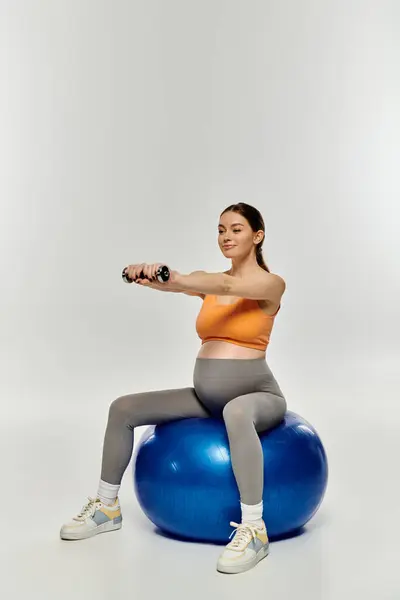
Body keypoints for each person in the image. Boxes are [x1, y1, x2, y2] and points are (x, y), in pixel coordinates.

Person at [60, 202, 287, 575]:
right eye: (220, 230)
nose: (226, 237)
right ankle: (106, 508)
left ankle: (254, 529)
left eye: (236, 229)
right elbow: (185, 284)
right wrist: (147, 276)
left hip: (259, 397)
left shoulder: (270, 284)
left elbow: (226, 283)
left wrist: (178, 278)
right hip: (206, 397)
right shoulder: (210, 282)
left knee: (236, 412)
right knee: (123, 408)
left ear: (257, 236)